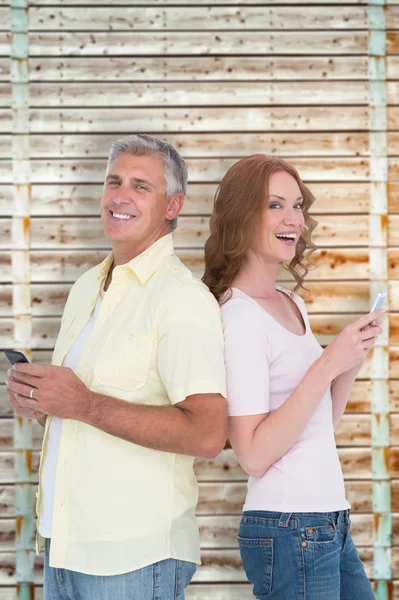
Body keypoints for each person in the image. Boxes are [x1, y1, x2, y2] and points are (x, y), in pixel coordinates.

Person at [6, 134, 227, 600]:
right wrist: (43, 401)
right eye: (114, 181)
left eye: (141, 186)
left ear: (173, 205)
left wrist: (85, 405)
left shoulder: (181, 299)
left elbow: (208, 434)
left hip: (134, 561)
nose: (120, 196)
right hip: (63, 550)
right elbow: (85, 415)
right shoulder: (87, 286)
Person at [203, 154, 382, 600]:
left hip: (327, 520)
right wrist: (326, 363)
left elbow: (318, 426)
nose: (294, 219)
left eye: (298, 205)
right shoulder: (238, 317)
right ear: (242, 216)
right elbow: (254, 454)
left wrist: (350, 359)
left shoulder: (289, 303)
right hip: (289, 527)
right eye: (275, 205)